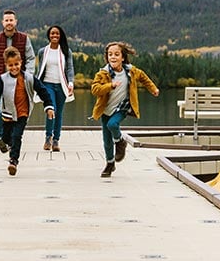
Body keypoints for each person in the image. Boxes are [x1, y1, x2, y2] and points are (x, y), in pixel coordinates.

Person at [90, 41, 159, 178]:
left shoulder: (131, 71)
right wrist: (110, 85)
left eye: (116, 54)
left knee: (113, 124)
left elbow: (143, 77)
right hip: (105, 110)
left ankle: (120, 141)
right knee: (107, 140)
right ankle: (110, 164)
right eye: (110, 54)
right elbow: (95, 89)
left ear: (123, 57)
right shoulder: (102, 74)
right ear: (107, 57)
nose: (113, 57)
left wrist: (153, 89)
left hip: (122, 107)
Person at [0, 46, 54, 176]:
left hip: (23, 113)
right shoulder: (3, 79)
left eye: (16, 64)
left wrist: (49, 106)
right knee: (6, 138)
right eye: (10, 65)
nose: (14, 68)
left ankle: (13, 161)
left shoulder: (29, 78)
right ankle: (3, 142)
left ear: (21, 63)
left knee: (17, 136)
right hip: (7, 114)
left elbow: (43, 91)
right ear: (6, 65)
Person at [0, 10, 36, 153]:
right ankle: (2, 139)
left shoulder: (24, 39)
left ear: (15, 22)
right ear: (3, 23)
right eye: (6, 20)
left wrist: (29, 75)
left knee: (17, 112)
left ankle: (11, 140)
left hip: (20, 82)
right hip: (0, 82)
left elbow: (31, 58)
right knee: (1, 111)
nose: (9, 23)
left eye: (11, 20)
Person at [35, 25, 75, 152]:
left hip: (61, 85)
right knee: (51, 110)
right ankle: (48, 138)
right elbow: (40, 69)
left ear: (60, 35)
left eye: (57, 34)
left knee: (59, 113)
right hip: (47, 85)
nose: (54, 36)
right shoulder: (43, 51)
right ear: (48, 35)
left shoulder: (66, 51)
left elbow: (69, 68)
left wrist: (71, 83)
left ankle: (56, 140)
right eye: (52, 33)